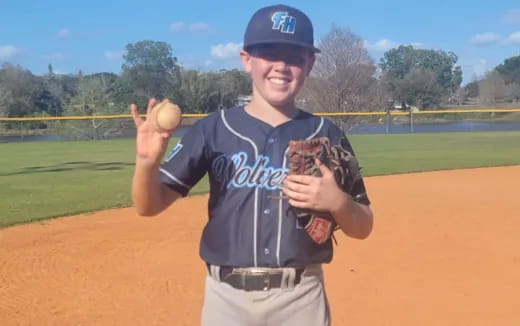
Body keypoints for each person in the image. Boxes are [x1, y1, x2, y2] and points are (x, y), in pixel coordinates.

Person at [130, 4, 373, 326]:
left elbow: (363, 225)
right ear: (247, 59)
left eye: (294, 57)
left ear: (310, 64)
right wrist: (147, 163)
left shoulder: (327, 135)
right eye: (269, 54)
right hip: (225, 298)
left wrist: (338, 202)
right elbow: (149, 206)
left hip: (300, 297)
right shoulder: (212, 129)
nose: (281, 66)